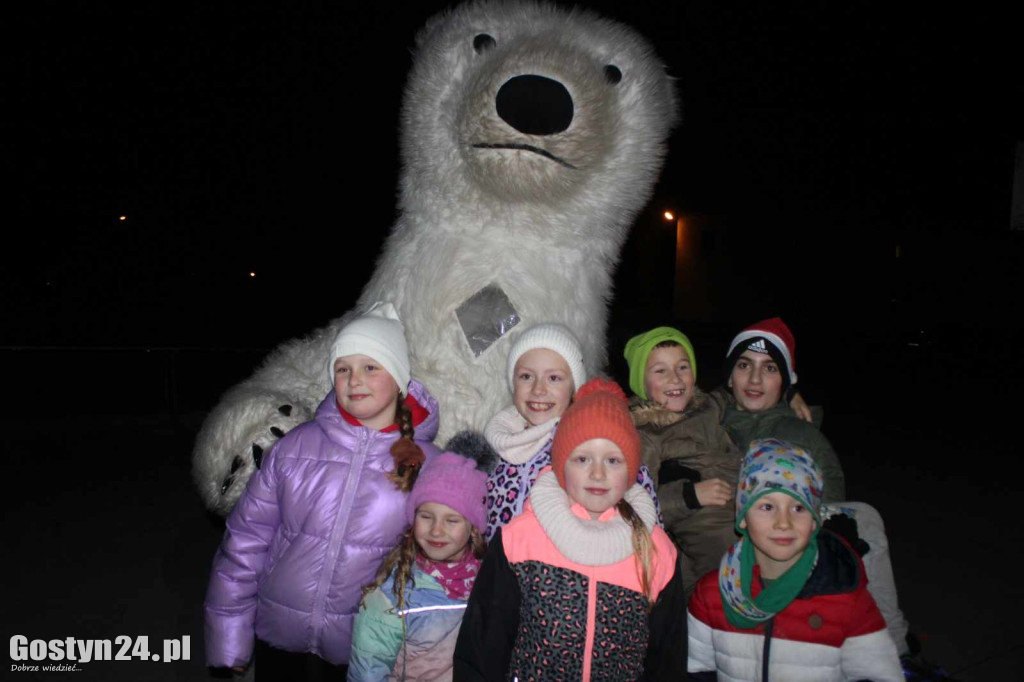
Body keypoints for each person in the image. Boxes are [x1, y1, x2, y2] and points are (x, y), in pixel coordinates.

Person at [204, 303, 442, 680]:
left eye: (371, 367)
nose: (354, 380)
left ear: (399, 379)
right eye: (343, 368)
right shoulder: (294, 449)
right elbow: (244, 544)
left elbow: (439, 572)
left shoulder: (427, 465)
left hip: (364, 649)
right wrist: (229, 636)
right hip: (278, 638)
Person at [454, 378, 687, 681]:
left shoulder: (655, 550)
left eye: (613, 460)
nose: (598, 473)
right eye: (582, 458)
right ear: (562, 465)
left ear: (631, 471)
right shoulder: (520, 540)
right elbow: (483, 646)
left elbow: (667, 659)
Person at [720, 317, 912, 657]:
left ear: (785, 382)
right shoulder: (707, 419)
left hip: (783, 553)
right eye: (744, 365)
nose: (753, 379)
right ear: (729, 375)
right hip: (718, 552)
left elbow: (830, 501)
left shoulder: (804, 436)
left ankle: (892, 646)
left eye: (769, 369)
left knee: (863, 518)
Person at [687, 439, 903, 682]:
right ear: (743, 517)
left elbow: (878, 675)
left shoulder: (846, 598)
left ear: (814, 521)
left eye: (798, 508)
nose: (783, 523)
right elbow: (697, 671)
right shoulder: (712, 593)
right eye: (767, 506)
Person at [483, 323, 660, 541]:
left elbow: (643, 506)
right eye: (526, 376)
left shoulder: (591, 442)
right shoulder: (491, 445)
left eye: (554, 378)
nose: (538, 389)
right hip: (496, 568)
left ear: (574, 387)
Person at [623, 326, 743, 597]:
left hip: (744, 505)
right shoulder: (647, 434)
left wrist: (789, 395)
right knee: (725, 571)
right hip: (706, 524)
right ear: (642, 383)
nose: (675, 379)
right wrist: (689, 495)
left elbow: (737, 391)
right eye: (660, 371)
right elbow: (639, 504)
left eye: (682, 367)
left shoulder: (707, 405)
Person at [348, 451, 488, 682]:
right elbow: (367, 672)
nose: (436, 530)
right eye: (426, 516)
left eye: (451, 520)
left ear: (473, 528)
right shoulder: (393, 596)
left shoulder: (488, 584)